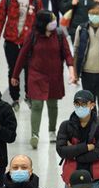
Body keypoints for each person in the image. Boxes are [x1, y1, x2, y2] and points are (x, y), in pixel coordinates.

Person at [12, 10, 76, 148]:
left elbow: (67, 54)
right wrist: (15, 75)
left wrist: (71, 70)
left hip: (55, 76)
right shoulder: (33, 35)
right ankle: (35, 134)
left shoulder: (59, 34)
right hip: (36, 75)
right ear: (43, 23)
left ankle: (52, 131)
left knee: (52, 105)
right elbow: (22, 55)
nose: (54, 22)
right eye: (51, 19)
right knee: (37, 105)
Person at [0, 0, 44, 111]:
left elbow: (41, 20)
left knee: (29, 69)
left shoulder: (36, 0)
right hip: (11, 41)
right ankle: (15, 98)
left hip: (29, 42)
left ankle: (29, 95)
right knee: (13, 70)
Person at [56, 90, 99, 188]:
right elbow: (61, 150)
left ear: (92, 105)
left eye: (84, 104)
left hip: (92, 179)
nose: (80, 107)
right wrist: (85, 147)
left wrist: (74, 155)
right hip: (71, 177)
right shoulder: (66, 126)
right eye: (77, 104)